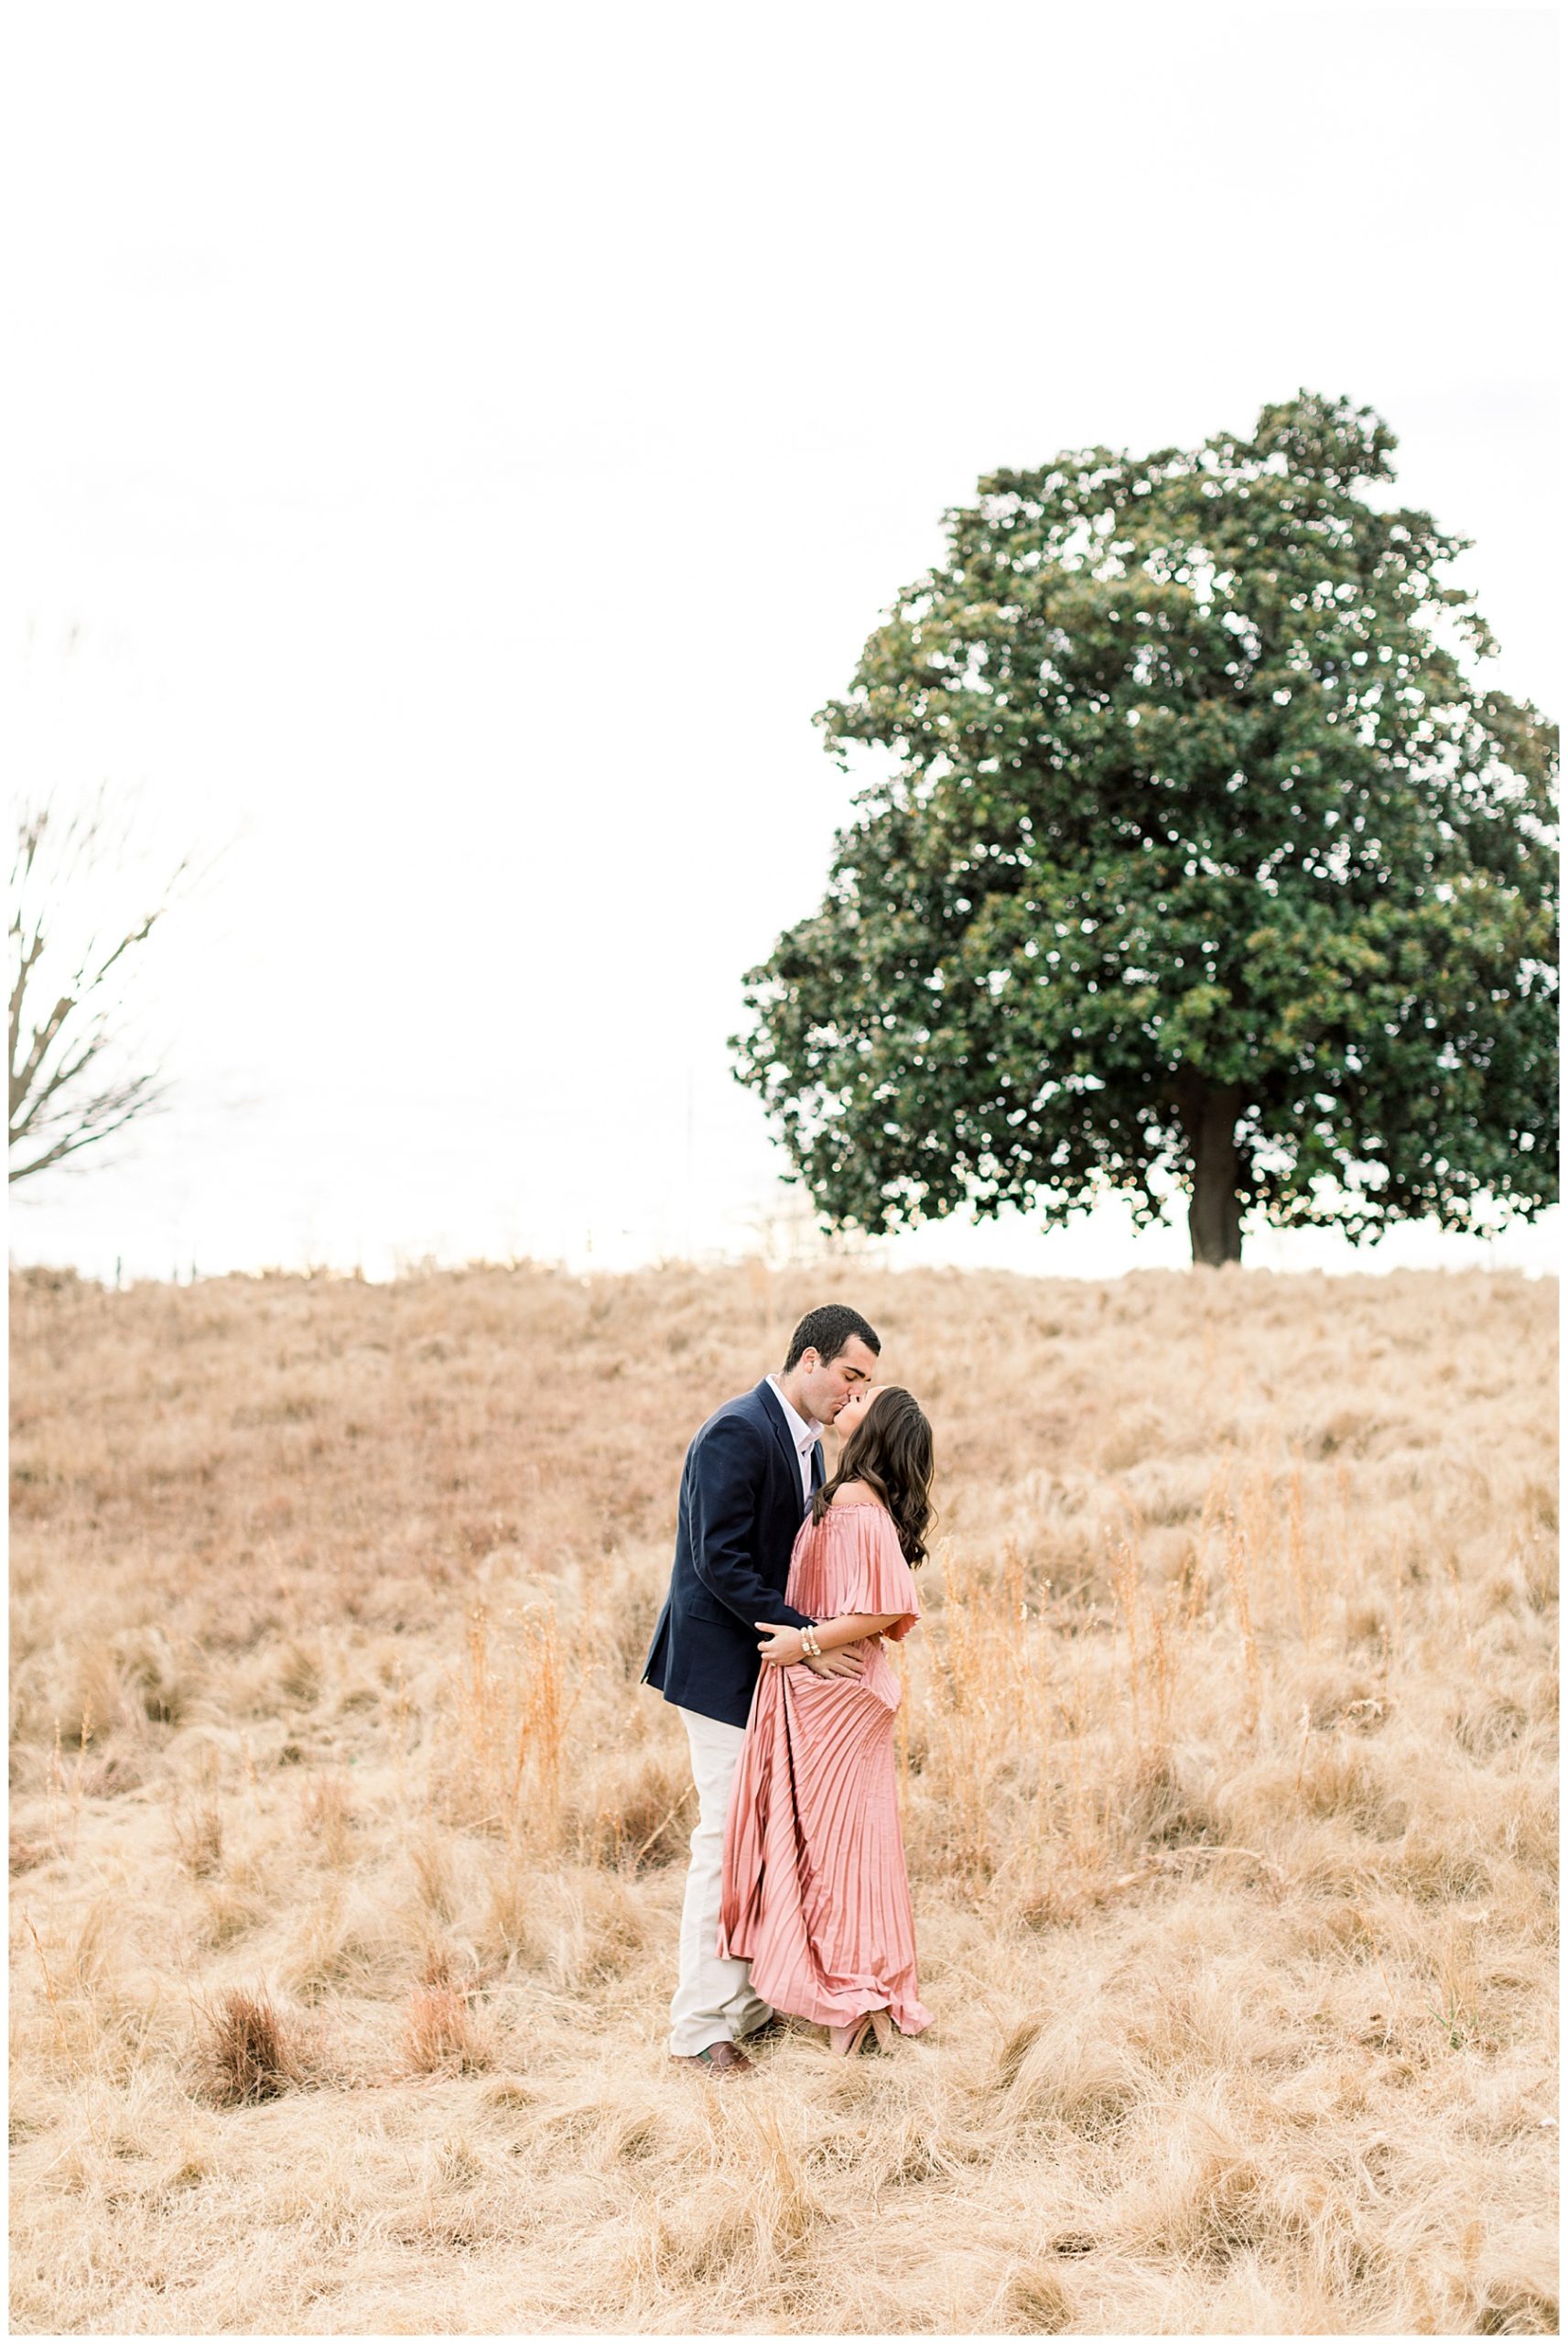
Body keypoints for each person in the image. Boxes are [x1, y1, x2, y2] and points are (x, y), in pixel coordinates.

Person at [643, 1304, 881, 2075]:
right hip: (719, 1670)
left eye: (866, 1383)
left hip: (768, 1671)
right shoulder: (738, 1430)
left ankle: (748, 2004)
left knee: (764, 1842)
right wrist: (804, 1639)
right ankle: (699, 2030)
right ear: (808, 1360)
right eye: (850, 1375)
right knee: (724, 1842)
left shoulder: (811, 1446)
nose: (854, 1393)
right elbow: (719, 1560)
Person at [718, 1383, 935, 2055]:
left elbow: (885, 1607)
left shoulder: (851, 1501)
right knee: (850, 1855)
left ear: (880, 1430)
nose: (855, 1394)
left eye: (870, 1396)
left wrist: (803, 1644)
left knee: (833, 1859)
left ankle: (850, 2008)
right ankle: (857, 2007)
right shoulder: (849, 1493)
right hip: (839, 1695)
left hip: (833, 1702)